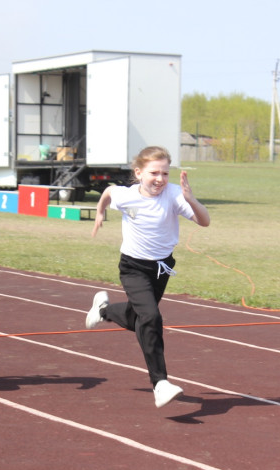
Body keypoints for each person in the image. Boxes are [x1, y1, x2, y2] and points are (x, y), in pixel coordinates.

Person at [86, 146, 210, 408]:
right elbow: (108, 193)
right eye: (154, 172)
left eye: (165, 173)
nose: (160, 179)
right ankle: (160, 383)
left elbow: (205, 221)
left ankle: (104, 310)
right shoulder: (126, 195)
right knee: (151, 318)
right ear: (139, 173)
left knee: (138, 319)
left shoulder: (175, 195)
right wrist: (99, 212)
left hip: (161, 268)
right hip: (132, 267)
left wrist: (191, 199)